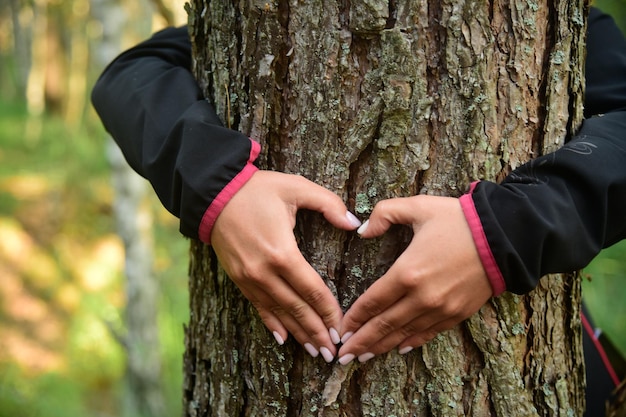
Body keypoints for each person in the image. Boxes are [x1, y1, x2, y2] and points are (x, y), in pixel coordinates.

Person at [92, 6, 626, 413]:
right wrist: (215, 183)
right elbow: (130, 73)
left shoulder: (560, 15)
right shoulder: (249, 12)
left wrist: (509, 229)